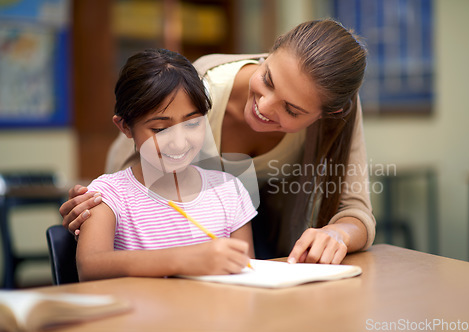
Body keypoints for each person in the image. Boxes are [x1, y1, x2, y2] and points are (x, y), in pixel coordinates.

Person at [60, 18, 376, 265]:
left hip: (254, 251)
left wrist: (339, 233)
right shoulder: (196, 92)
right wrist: (99, 203)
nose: (264, 107)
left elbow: (355, 209)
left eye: (292, 109)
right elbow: (132, 193)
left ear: (330, 112)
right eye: (267, 79)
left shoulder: (339, 112)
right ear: (268, 53)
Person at [76, 49, 257, 281]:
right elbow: (90, 267)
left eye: (192, 124)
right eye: (160, 130)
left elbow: (247, 275)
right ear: (125, 127)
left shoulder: (229, 190)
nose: (179, 142)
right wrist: (185, 260)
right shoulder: (108, 195)